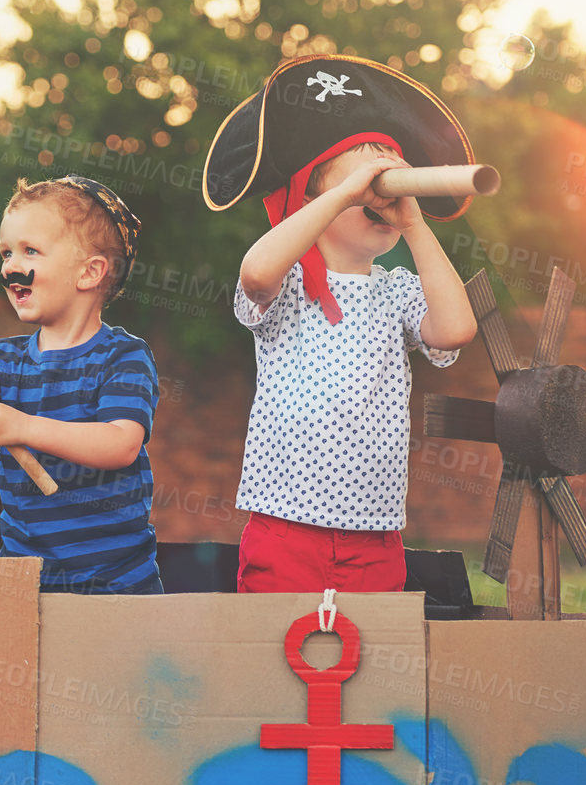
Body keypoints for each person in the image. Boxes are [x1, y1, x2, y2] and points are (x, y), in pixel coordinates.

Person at [201, 55, 480, 593]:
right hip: (285, 524)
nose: (381, 194)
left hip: (375, 534)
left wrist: (416, 222)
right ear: (313, 198)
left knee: (370, 667)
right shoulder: (288, 285)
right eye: (362, 184)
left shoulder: (396, 290)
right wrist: (344, 195)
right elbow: (256, 272)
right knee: (276, 658)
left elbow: (455, 330)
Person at [0, 175, 161, 594]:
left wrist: (26, 428)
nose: (11, 265)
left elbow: (120, 445)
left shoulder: (123, 356)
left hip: (117, 582)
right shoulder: (4, 360)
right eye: (6, 252)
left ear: (90, 272)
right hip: (25, 580)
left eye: (30, 251)